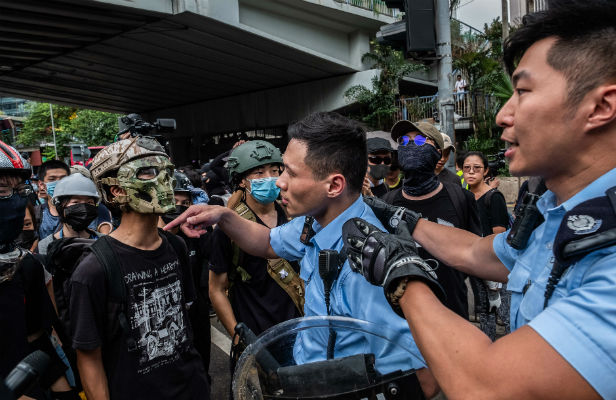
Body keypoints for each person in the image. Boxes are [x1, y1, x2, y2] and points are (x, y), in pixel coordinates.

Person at [341, 1, 616, 398]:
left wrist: (402, 277)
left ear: (601, 106)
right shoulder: (561, 212)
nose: (502, 115)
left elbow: (487, 386)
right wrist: (403, 222)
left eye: (523, 90)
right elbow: (483, 255)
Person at [165, 112, 440, 397]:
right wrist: (222, 215)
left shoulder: (368, 265)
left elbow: (422, 378)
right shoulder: (316, 222)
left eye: (289, 173)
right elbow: (267, 242)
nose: (279, 182)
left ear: (334, 185)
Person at [69, 136, 210, 399]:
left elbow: (187, 323)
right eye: (148, 172)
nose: (164, 180)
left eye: (167, 172)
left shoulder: (176, 247)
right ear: (116, 190)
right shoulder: (93, 270)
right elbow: (89, 357)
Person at [0, 140, 78, 400]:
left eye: (20, 189)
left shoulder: (25, 265)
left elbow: (37, 340)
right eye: (2, 189)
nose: (14, 200)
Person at [381, 120, 481, 320]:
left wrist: (489, 295)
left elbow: (478, 252)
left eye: (419, 140)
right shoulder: (387, 204)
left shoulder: (461, 198)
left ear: (437, 151)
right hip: (404, 318)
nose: (410, 145)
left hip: (453, 311)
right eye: (403, 141)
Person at [208, 140, 302, 344]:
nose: (270, 178)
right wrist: (236, 337)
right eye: (259, 173)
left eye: (275, 170)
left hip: (299, 331)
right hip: (257, 337)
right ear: (242, 181)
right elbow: (216, 289)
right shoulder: (229, 228)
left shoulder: (295, 216)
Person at [159, 170, 212, 375]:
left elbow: (208, 260)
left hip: (196, 308)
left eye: (186, 202)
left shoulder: (197, 232)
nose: (180, 206)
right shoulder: (153, 237)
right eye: (175, 200)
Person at [462, 151, 511, 340]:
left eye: (477, 168)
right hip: (474, 263)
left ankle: (513, 353)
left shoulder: (493, 197)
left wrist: (483, 253)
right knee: (484, 311)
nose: (471, 172)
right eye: (467, 168)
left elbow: (499, 234)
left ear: (485, 171)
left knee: (504, 311)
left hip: (494, 263)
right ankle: (487, 351)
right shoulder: (464, 197)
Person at [37, 173, 101, 257]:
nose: (84, 208)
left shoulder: (103, 242)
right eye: (75, 202)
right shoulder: (46, 245)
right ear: (60, 207)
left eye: (89, 202)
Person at [35, 160, 70, 239]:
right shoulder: (35, 214)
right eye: (52, 179)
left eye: (63, 179)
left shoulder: (81, 210)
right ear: (41, 185)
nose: (59, 183)